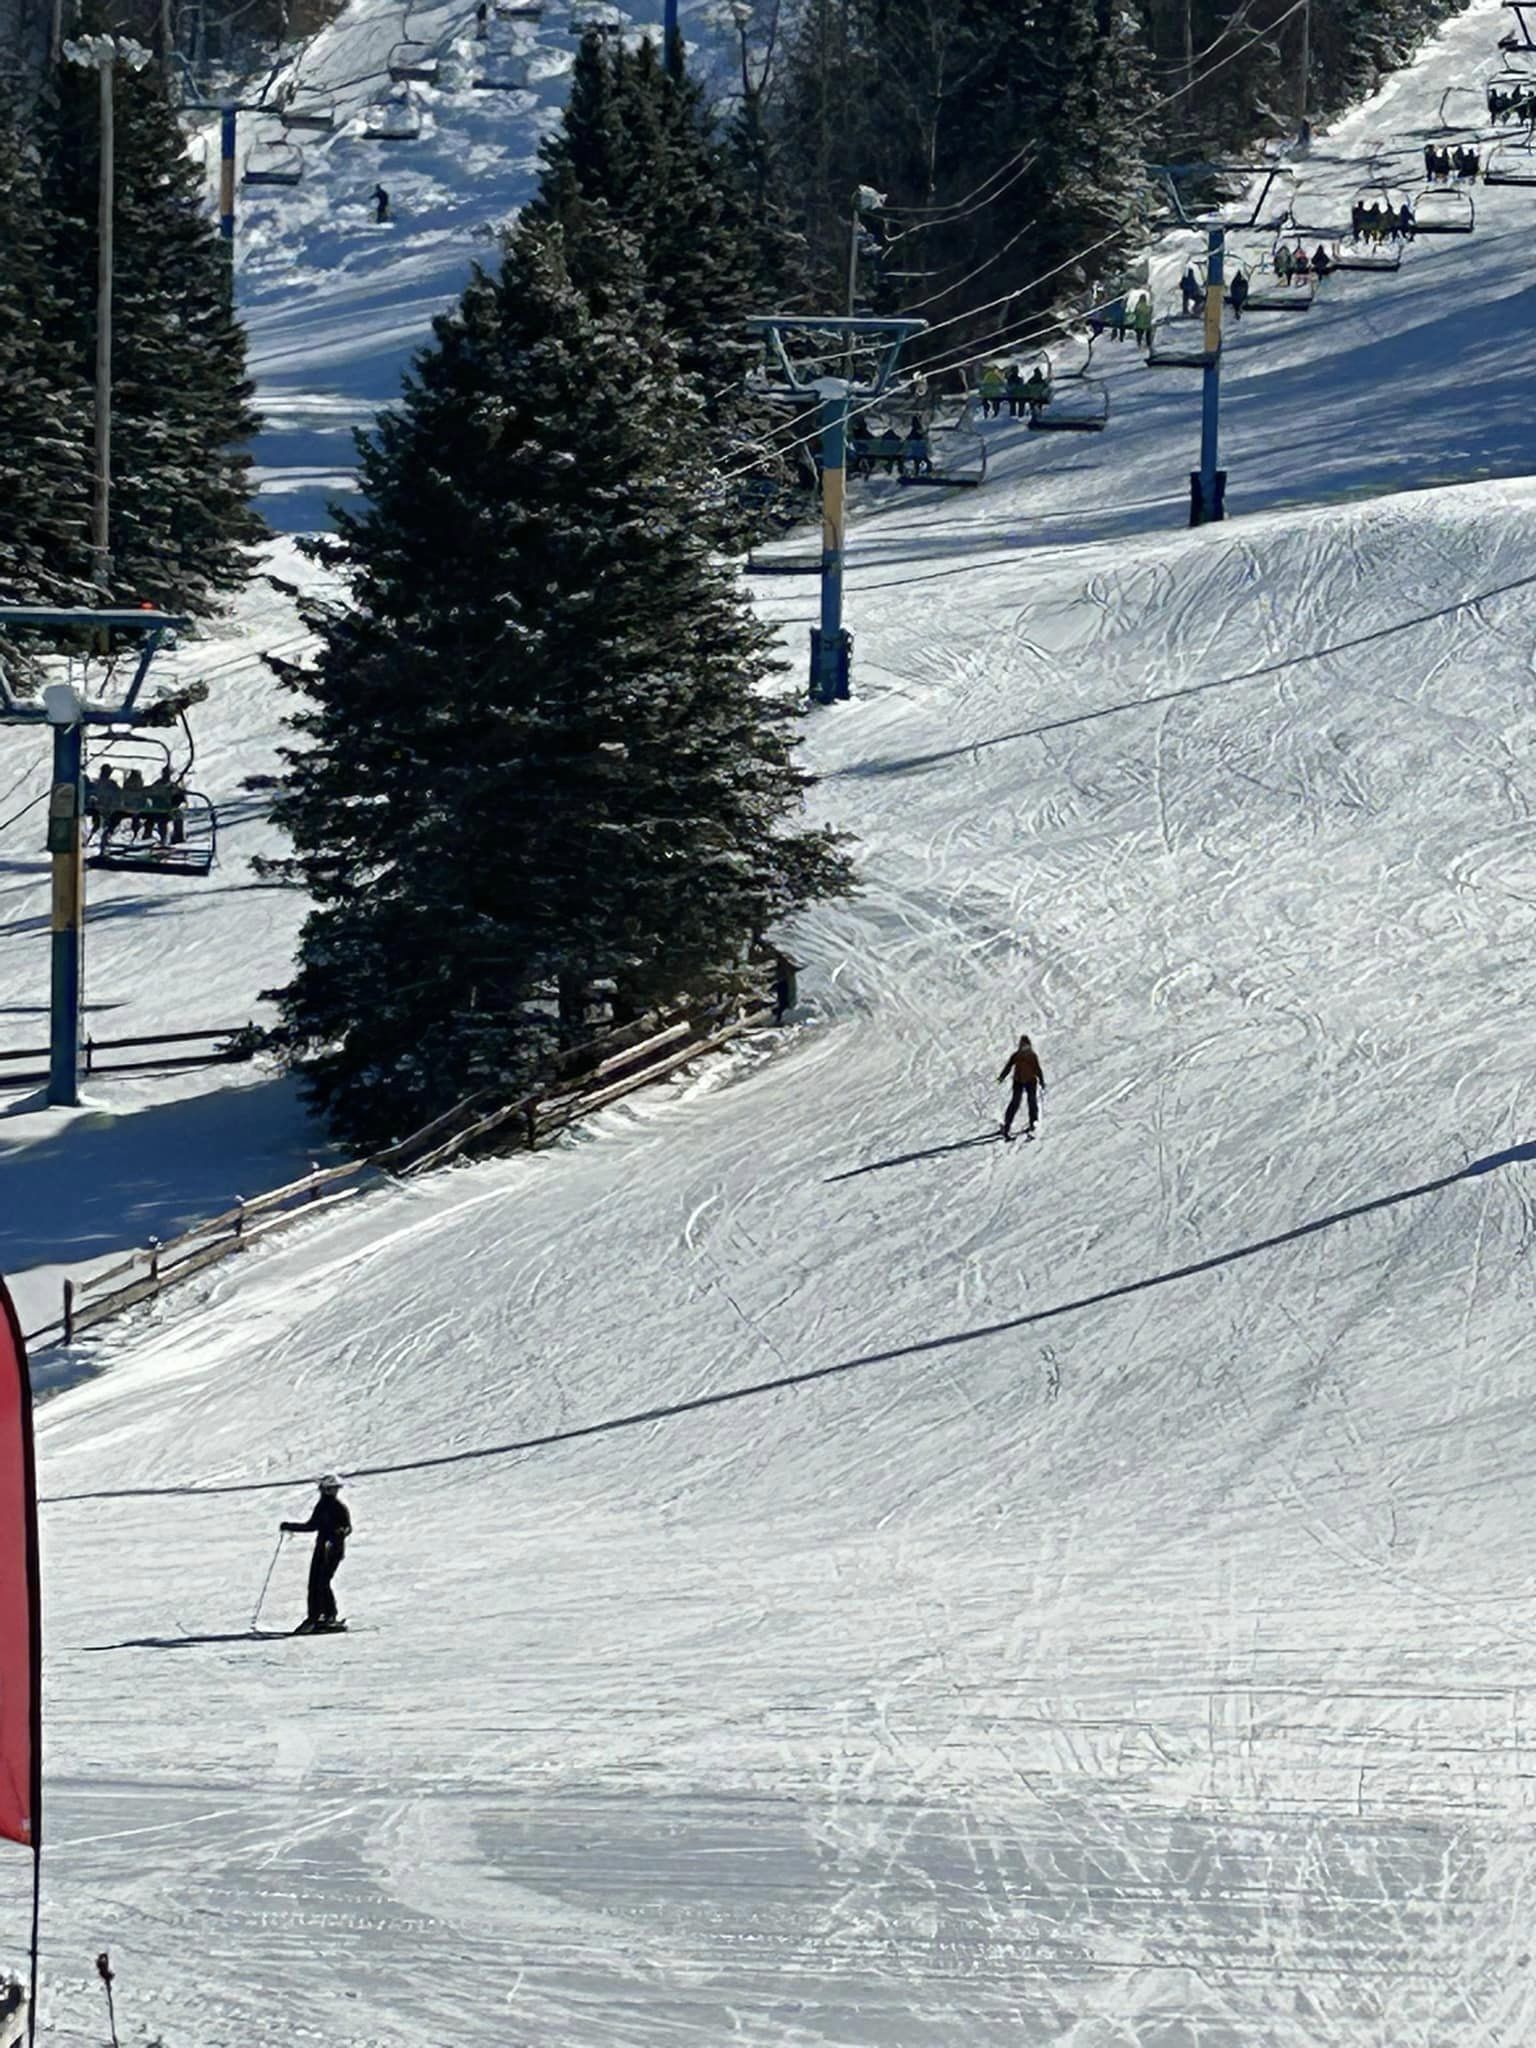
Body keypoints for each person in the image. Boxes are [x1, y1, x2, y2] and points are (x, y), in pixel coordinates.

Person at [280, 1474, 351, 1634]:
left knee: (322, 1582)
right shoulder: (322, 1506)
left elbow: (347, 1527)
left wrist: (337, 1534)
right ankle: (316, 1616)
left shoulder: (338, 1507)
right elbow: (313, 1525)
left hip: (333, 1550)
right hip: (321, 1549)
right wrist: (290, 1526)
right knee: (314, 1583)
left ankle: (329, 1616)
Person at [997, 1033, 1045, 1141]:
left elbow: (1037, 1069)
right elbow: (1008, 1067)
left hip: (1031, 1081)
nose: (1024, 1049)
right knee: (1015, 1103)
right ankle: (1007, 1125)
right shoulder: (1016, 1056)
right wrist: (1001, 1078)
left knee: (1032, 1101)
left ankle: (1033, 1122)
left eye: (1026, 1046)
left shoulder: (1032, 1056)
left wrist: (1041, 1080)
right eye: (1023, 1046)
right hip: (1018, 1081)